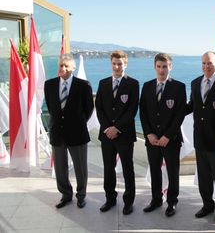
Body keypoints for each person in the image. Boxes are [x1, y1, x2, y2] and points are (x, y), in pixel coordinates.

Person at [186, 51, 215, 222]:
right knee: (204, 178)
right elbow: (192, 106)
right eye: (204, 63)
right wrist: (173, 110)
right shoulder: (195, 82)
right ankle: (207, 205)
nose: (206, 66)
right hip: (200, 140)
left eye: (210, 63)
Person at [44, 54, 94, 209]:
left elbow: (89, 109)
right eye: (60, 65)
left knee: (80, 167)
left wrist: (77, 123)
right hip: (57, 133)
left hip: (77, 133)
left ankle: (81, 196)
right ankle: (66, 195)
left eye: (66, 66)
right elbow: (52, 108)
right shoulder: (49, 84)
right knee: (60, 168)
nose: (62, 68)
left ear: (73, 68)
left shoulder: (83, 85)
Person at [140, 53, 186, 217]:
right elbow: (143, 113)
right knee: (154, 170)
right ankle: (156, 199)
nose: (161, 70)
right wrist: (149, 134)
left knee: (173, 173)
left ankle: (172, 202)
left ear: (170, 67)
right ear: (154, 67)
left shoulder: (179, 87)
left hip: (171, 140)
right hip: (152, 140)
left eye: (165, 66)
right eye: (159, 66)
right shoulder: (146, 86)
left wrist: (168, 135)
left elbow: (179, 115)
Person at [95, 50, 139, 215]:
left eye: (120, 63)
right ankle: (110, 199)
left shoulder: (133, 84)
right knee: (108, 168)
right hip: (107, 135)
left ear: (125, 64)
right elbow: (99, 107)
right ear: (111, 64)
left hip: (124, 134)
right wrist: (107, 128)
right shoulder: (102, 83)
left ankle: (128, 202)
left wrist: (117, 128)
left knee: (128, 169)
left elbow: (132, 110)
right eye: (114, 63)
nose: (116, 66)